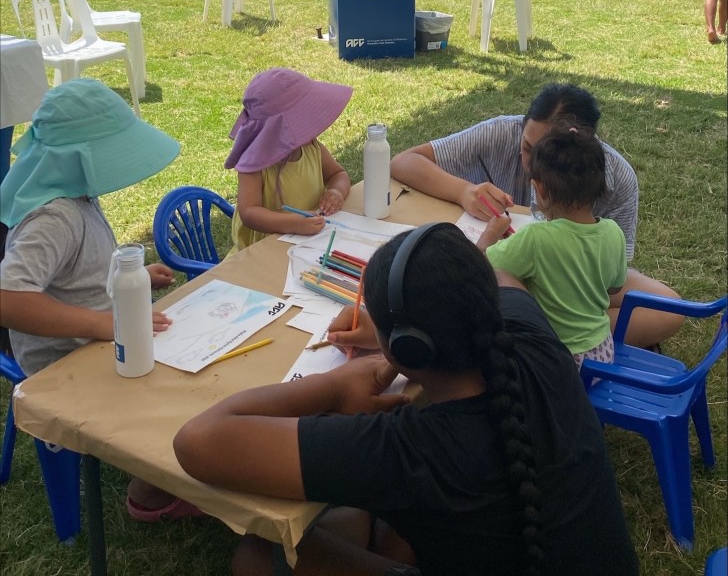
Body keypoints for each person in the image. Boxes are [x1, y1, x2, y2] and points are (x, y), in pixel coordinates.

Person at [174, 223, 640, 576]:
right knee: (362, 516)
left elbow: (198, 440)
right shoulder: (536, 346)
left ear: (409, 348)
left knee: (258, 555)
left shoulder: (408, 450)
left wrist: (337, 386)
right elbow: (498, 275)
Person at [0, 79, 203, 521]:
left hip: (100, 337)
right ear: (78, 159)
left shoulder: (76, 197)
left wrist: (132, 278)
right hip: (63, 364)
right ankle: (161, 482)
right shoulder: (54, 216)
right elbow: (8, 300)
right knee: (177, 384)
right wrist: (100, 324)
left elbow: (80, 273)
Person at [389, 83, 684, 348]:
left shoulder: (618, 177)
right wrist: (464, 191)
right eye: (527, 147)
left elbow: (606, 280)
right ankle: (573, 334)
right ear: (522, 126)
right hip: (525, 279)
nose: (530, 166)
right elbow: (404, 161)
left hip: (575, 282)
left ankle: (552, 332)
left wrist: (557, 287)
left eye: (544, 156)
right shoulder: (500, 133)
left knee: (669, 309)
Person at [478, 122, 627, 368]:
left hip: (558, 361)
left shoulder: (536, 238)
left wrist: (489, 235)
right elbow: (615, 287)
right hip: (602, 354)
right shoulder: (613, 231)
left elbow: (481, 266)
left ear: (540, 190)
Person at [225, 68, 352, 252]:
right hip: (264, 252)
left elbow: (338, 174)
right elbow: (249, 212)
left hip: (310, 243)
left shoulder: (311, 148)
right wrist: (291, 223)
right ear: (277, 129)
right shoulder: (253, 166)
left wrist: (336, 191)